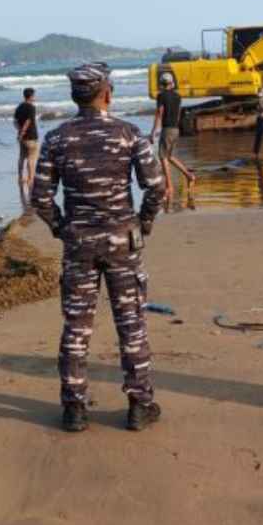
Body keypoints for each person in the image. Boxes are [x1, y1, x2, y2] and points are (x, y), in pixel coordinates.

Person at [31, 62, 166, 433]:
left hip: (79, 244)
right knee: (132, 324)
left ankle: (74, 409)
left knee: (76, 325)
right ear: (107, 92)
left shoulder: (57, 139)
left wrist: (63, 228)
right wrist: (144, 222)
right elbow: (155, 186)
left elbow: (40, 196)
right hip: (123, 240)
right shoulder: (129, 134)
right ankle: (140, 404)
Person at [149, 72, 195, 209]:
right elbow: (179, 112)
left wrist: (154, 131)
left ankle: (169, 187)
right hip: (175, 129)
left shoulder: (161, 96)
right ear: (171, 83)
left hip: (167, 129)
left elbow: (160, 113)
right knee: (170, 156)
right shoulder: (177, 96)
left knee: (162, 157)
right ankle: (189, 175)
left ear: (162, 84)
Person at [14, 88, 40, 211]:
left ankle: (20, 177)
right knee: (31, 158)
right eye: (34, 95)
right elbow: (29, 121)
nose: (35, 97)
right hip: (30, 136)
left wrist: (19, 132)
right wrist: (23, 131)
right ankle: (30, 179)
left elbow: (15, 121)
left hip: (22, 137)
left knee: (21, 157)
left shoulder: (19, 107)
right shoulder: (31, 107)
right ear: (30, 96)